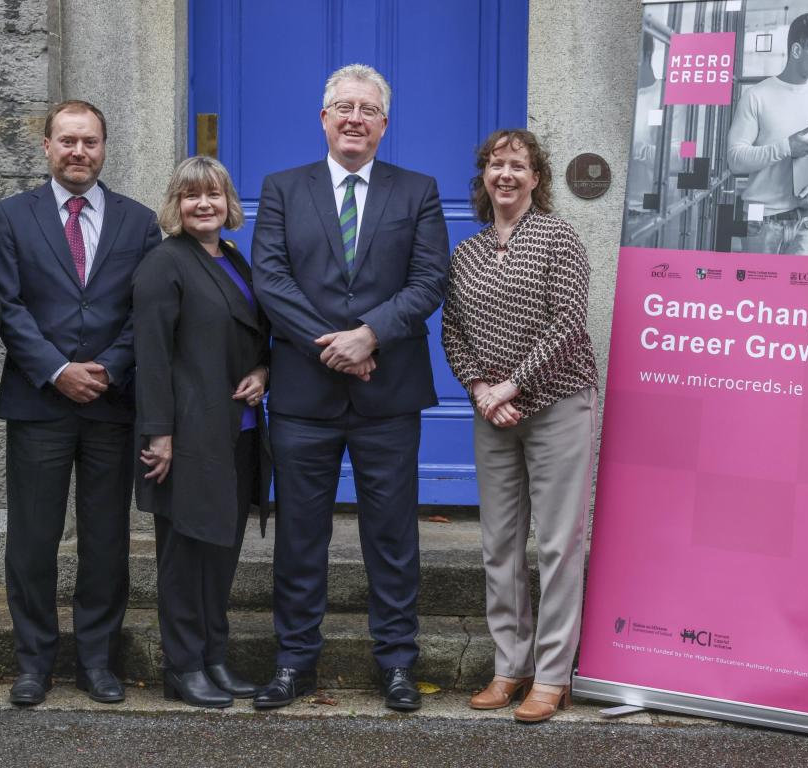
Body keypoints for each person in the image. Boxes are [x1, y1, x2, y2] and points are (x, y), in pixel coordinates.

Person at [250, 63, 450, 711]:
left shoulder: (417, 191)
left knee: (392, 537)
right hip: (305, 397)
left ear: (384, 125)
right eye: (343, 106)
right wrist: (335, 348)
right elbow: (271, 280)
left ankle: (395, 662)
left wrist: (370, 336)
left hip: (387, 395)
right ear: (324, 118)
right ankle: (294, 660)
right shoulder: (282, 189)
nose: (354, 117)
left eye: (368, 109)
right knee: (300, 536)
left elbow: (428, 280)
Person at [0, 100, 162, 706]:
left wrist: (108, 368)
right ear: (46, 147)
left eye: (89, 142)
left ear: (104, 148)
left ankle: (97, 660)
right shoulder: (12, 216)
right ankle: (34, 663)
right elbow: (7, 306)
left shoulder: (139, 223)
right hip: (41, 402)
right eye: (67, 141)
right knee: (32, 540)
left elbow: (147, 311)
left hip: (112, 405)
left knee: (106, 539)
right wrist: (58, 370)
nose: (78, 152)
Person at [441, 129, 599, 724]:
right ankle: (511, 665)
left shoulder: (558, 238)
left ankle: (553, 676)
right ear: (484, 177)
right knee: (499, 546)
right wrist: (481, 389)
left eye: (517, 165)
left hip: (557, 405)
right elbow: (451, 330)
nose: (504, 174)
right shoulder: (469, 253)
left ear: (537, 178)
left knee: (559, 545)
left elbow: (568, 323)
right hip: (494, 414)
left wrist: (514, 385)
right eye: (494, 165)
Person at [132, 156, 272, 708]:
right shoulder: (163, 264)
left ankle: (215, 656)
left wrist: (263, 374)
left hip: (235, 431)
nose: (204, 205)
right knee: (185, 556)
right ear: (177, 205)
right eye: (192, 196)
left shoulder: (236, 259)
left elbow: (259, 336)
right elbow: (152, 358)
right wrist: (158, 435)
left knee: (221, 552)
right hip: (186, 435)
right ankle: (183, 665)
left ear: (228, 201)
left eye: (213, 194)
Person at [726, 13, 808, 255]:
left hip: (807, 222)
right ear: (797, 50)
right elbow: (735, 160)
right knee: (760, 293)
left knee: (798, 294)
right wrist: (786, 147)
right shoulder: (756, 96)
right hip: (760, 221)